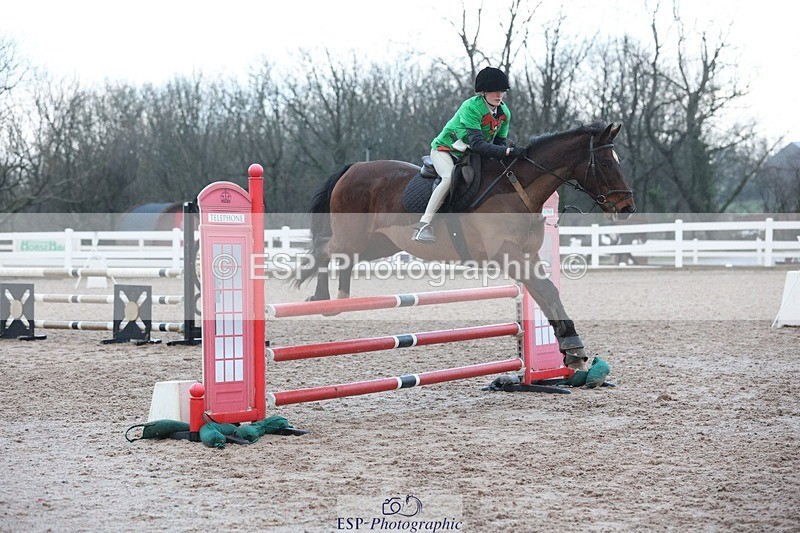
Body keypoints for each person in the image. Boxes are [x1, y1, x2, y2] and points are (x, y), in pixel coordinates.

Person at [412, 66, 525, 243]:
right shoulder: (471, 107)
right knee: (448, 178)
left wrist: (505, 152)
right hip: (446, 150)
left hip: (470, 152)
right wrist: (507, 152)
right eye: (494, 91)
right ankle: (423, 225)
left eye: (501, 91)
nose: (499, 95)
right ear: (483, 92)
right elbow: (479, 144)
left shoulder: (504, 113)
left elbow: (499, 142)